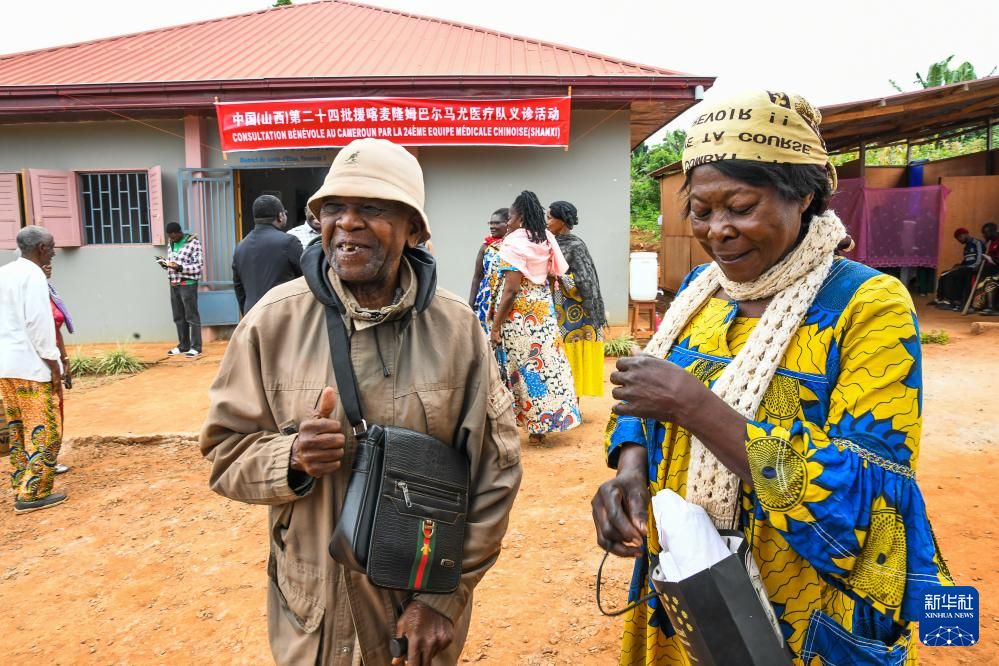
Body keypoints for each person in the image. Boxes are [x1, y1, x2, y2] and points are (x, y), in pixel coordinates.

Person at [592, 91, 951, 664]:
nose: (718, 231)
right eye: (702, 212)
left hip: (799, 599)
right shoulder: (698, 294)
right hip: (690, 576)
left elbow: (867, 491)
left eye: (739, 206)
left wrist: (696, 407)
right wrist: (630, 471)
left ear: (803, 195)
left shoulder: (867, 303)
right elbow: (641, 402)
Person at [201, 138, 522, 666]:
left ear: (414, 229)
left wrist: (443, 598)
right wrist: (292, 459)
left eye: (371, 208)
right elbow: (223, 453)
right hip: (313, 613)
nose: (347, 223)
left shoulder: (459, 330)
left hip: (413, 621)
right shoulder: (271, 322)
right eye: (333, 208)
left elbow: (496, 473)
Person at [490, 190, 580, 444]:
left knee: (522, 368)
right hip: (542, 311)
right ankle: (541, 424)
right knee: (545, 366)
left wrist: (496, 327)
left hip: (518, 316)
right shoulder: (545, 237)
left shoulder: (514, 242)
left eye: (510, 216)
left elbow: (511, 289)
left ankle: (519, 423)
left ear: (519, 217)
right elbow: (555, 274)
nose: (507, 222)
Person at [0, 226, 66, 514]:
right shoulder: (34, 276)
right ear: (41, 247)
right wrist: (54, 365)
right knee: (46, 431)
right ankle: (32, 493)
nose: (54, 251)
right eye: (51, 246)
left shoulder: (5, 273)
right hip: (30, 365)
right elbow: (38, 325)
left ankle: (20, 483)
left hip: (6, 366)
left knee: (18, 429)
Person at [547, 200, 608, 397]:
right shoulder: (548, 243)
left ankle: (575, 403)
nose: (546, 221)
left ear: (562, 221)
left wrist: (558, 276)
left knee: (574, 353)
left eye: (550, 217)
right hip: (556, 308)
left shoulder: (575, 245)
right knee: (559, 355)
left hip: (577, 310)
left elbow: (586, 280)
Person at [232, 194, 303, 315]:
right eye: (284, 213)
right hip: (283, 314)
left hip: (252, 315)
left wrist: (246, 315)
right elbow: (306, 277)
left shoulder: (240, 247)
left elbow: (239, 287)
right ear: (280, 216)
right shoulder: (289, 242)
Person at [43, 262, 72, 475]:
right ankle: (42, 462)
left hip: (53, 356)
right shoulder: (33, 293)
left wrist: (65, 360)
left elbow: (56, 329)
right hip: (39, 361)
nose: (50, 263)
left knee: (56, 409)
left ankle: (49, 459)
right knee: (45, 412)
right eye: (43, 260)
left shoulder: (48, 290)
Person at [161, 222, 204, 358]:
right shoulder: (171, 243)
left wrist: (180, 267)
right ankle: (183, 345)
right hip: (174, 284)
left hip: (188, 284)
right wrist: (166, 264)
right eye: (169, 237)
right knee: (178, 317)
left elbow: (198, 266)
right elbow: (173, 261)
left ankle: (196, 347)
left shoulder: (193, 243)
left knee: (191, 316)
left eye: (173, 237)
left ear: (179, 233)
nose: (171, 239)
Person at [467, 208, 510, 333]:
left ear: (509, 223)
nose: (492, 226)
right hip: (485, 300)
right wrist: (470, 304)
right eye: (491, 223)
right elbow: (477, 276)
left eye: (497, 223)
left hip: (506, 299)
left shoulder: (516, 246)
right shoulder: (486, 246)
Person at [933, 227, 985, 310]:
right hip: (966, 268)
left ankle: (951, 301)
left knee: (951, 275)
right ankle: (940, 298)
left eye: (960, 237)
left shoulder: (977, 243)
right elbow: (967, 260)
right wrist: (959, 265)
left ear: (965, 234)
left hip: (974, 269)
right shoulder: (966, 247)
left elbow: (979, 261)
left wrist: (964, 267)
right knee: (944, 273)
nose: (959, 240)